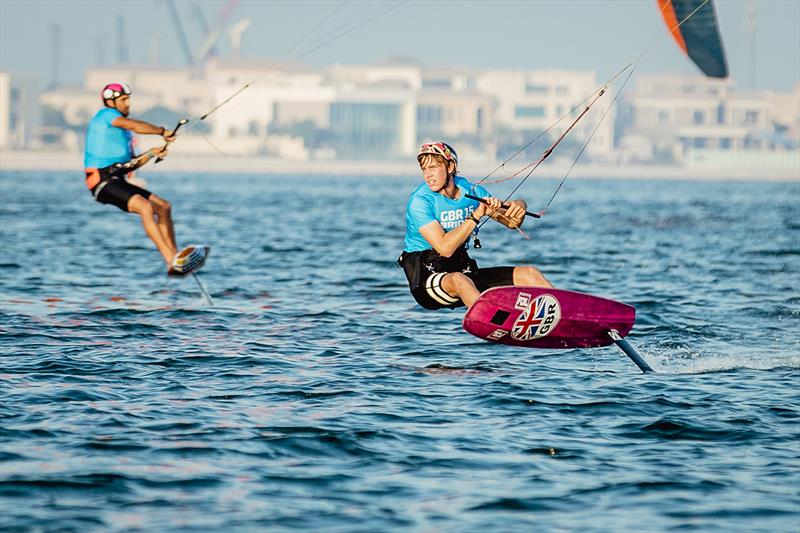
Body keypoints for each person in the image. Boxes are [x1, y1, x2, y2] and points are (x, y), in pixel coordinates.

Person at [399, 141, 553, 310]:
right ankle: (493, 321)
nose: (428, 174)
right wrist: (477, 215)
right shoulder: (420, 201)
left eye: (434, 167)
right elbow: (445, 248)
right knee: (459, 280)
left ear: (450, 167)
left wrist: (520, 205)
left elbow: (512, 222)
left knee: (530, 274)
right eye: (424, 169)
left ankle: (567, 316)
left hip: (462, 271)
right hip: (426, 279)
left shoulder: (470, 191)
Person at [83, 83, 187, 275]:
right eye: (123, 100)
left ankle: (175, 257)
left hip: (117, 180)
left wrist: (152, 153)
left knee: (164, 207)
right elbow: (135, 125)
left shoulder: (122, 135)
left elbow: (131, 165)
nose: (128, 103)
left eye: (128, 99)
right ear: (110, 102)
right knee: (145, 207)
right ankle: (169, 259)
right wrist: (162, 132)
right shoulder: (106, 115)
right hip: (101, 182)